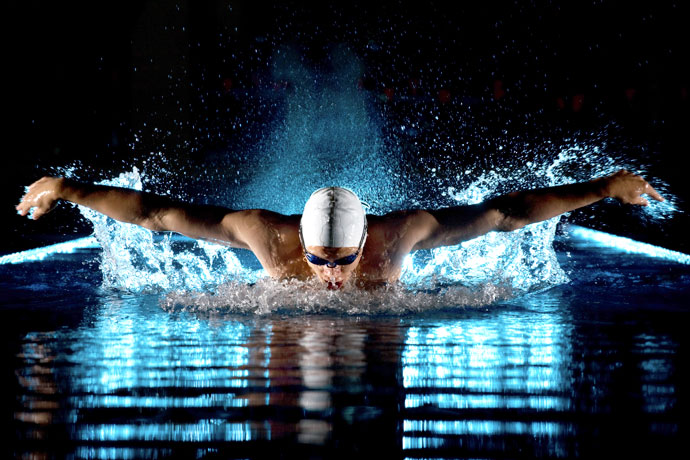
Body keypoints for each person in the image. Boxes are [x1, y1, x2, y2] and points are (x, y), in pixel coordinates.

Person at [16, 170, 663, 289]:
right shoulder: (264, 235)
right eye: (318, 259)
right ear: (297, 238)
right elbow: (158, 213)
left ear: (364, 242)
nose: (328, 274)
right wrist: (68, 189)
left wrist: (605, 187)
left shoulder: (398, 237)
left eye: (340, 260)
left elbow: (504, 215)